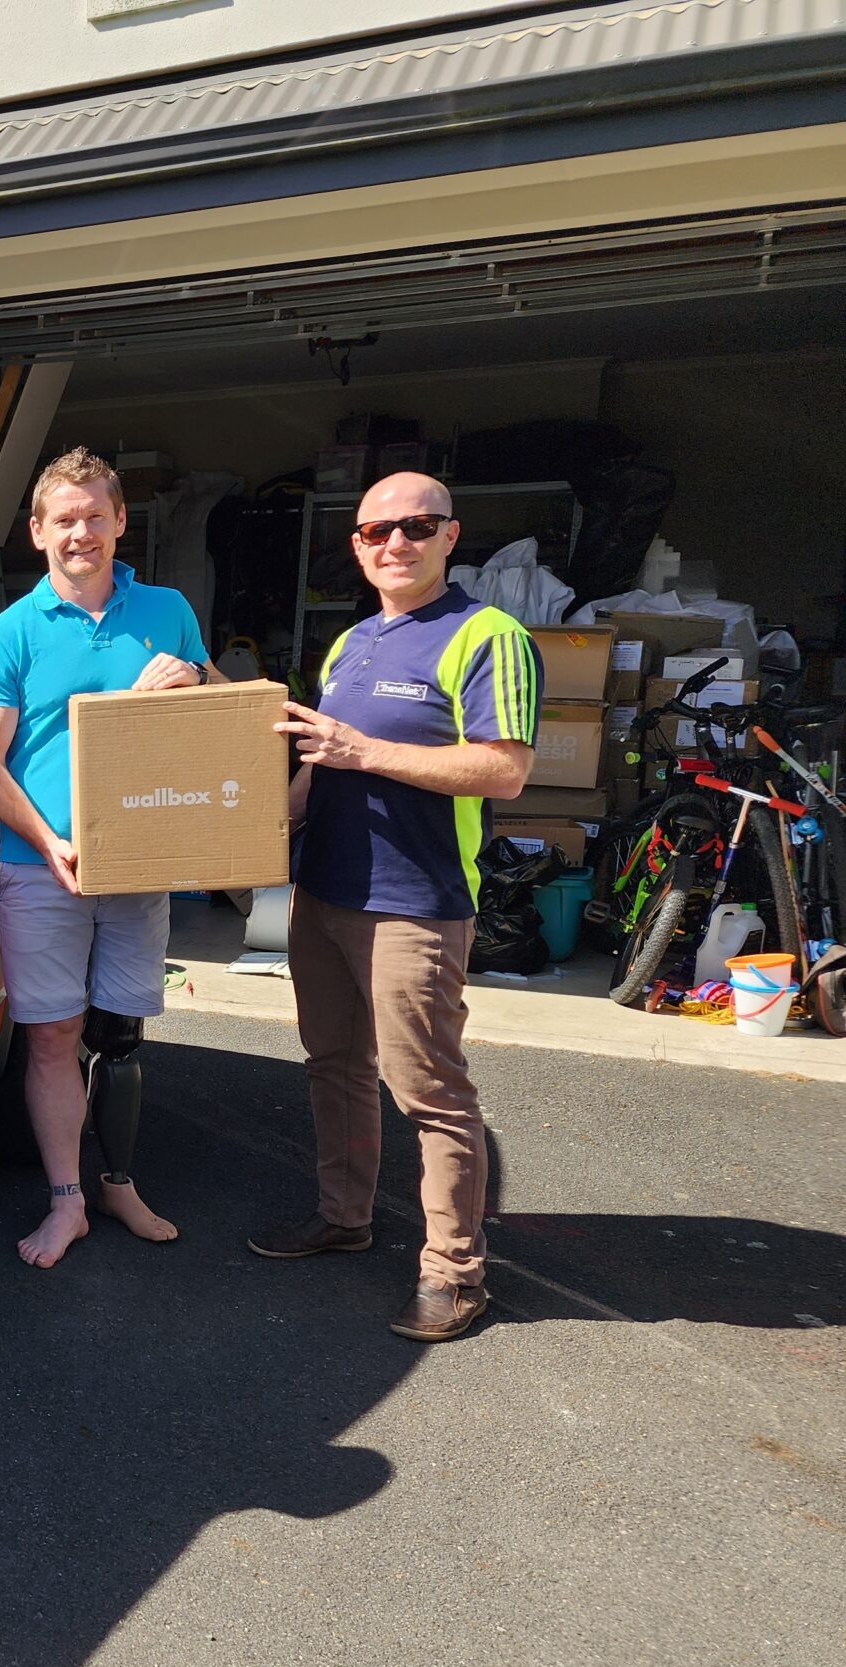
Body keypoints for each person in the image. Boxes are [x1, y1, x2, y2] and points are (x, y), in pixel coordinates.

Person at [251, 471, 539, 1342]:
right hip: (324, 891)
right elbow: (322, 763)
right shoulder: (351, 643)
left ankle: (455, 1273)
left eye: (416, 526)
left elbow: (505, 770)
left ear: (450, 535)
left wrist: (363, 749)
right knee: (334, 1064)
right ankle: (344, 1216)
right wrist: (268, 822)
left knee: (430, 1092)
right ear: (357, 546)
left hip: (414, 903)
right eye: (377, 531)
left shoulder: (488, 635)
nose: (396, 544)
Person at [0, 448, 213, 1269]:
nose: (81, 533)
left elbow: (226, 717)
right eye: (64, 519)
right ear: (37, 531)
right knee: (52, 1037)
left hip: (139, 860)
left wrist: (195, 683)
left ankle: (119, 1183)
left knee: (121, 1032)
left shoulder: (168, 610)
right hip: (42, 867)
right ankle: (66, 1199)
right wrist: (48, 841)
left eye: (95, 516)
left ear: (120, 521)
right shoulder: (5, 636)